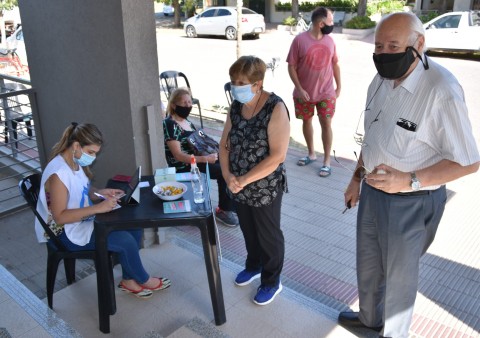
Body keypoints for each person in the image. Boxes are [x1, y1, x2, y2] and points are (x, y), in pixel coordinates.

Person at [339, 12, 480, 338]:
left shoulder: (441, 89)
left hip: (412, 201)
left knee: (399, 279)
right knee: (369, 264)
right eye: (378, 45)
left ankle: (394, 333)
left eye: (393, 45)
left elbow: (469, 161)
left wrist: (409, 179)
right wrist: (356, 179)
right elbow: (372, 138)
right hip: (373, 191)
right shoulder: (380, 79)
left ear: (418, 44)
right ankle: (370, 319)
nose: (384, 53)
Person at [35, 123, 171, 299]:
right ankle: (143, 279)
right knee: (124, 241)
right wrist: (97, 208)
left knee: (133, 227)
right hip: (63, 233)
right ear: (76, 146)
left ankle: (129, 281)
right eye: (90, 152)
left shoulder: (74, 162)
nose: (92, 157)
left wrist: (99, 193)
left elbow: (82, 188)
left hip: (79, 220)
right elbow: (59, 217)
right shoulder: (59, 174)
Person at [219, 56, 290, 305]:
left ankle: (272, 281)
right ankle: (254, 265)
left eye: (241, 82)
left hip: (264, 187)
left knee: (268, 235)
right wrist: (228, 176)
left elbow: (277, 156)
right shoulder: (236, 106)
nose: (235, 86)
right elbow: (224, 144)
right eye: (233, 81)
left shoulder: (275, 108)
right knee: (248, 230)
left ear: (258, 84)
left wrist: (245, 179)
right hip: (237, 183)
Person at [163, 87, 239, 227]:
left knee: (230, 165)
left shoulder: (187, 122)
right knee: (224, 172)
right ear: (174, 105)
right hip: (186, 166)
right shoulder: (170, 124)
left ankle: (230, 205)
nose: (188, 106)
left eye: (189, 102)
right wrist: (206, 159)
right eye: (184, 103)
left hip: (198, 160)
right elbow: (178, 155)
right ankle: (224, 210)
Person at [286, 6, 341, 178]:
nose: (332, 24)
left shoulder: (330, 41)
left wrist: (339, 86)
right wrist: (300, 89)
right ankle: (311, 153)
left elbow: (335, 64)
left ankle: (326, 162)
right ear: (321, 23)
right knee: (306, 122)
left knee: (326, 123)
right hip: (305, 94)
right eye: (330, 21)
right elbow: (291, 66)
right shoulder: (299, 41)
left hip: (326, 92)